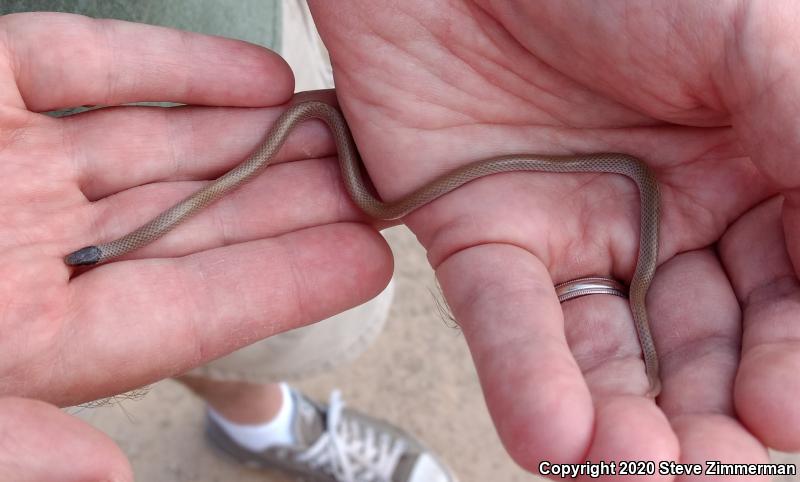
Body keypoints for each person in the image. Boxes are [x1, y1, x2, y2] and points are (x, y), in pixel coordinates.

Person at [1, 1, 799, 481]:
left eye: (91, 252)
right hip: (78, 101)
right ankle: (257, 417)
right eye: (91, 255)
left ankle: (261, 413)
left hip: (166, 44)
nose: (86, 253)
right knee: (197, 302)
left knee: (263, 310)